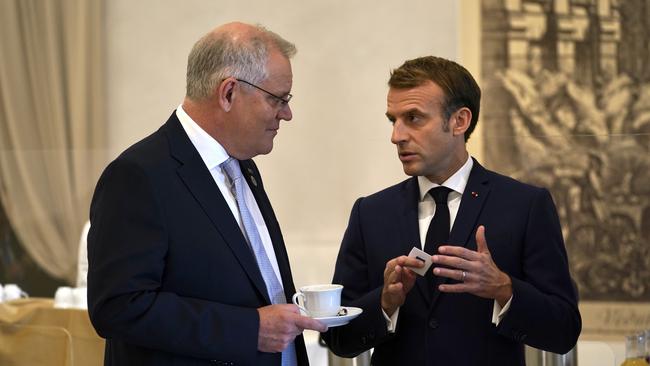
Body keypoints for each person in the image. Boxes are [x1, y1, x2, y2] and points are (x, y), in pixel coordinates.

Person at [87, 22, 326, 366]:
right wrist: (248, 329)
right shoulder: (139, 175)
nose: (286, 114)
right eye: (277, 99)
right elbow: (118, 307)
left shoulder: (243, 166)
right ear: (228, 93)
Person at [321, 56, 581, 365]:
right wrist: (385, 303)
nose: (397, 136)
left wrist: (504, 289)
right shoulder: (371, 213)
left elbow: (563, 329)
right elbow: (338, 338)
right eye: (394, 120)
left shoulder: (524, 205)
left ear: (459, 121)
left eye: (414, 118)